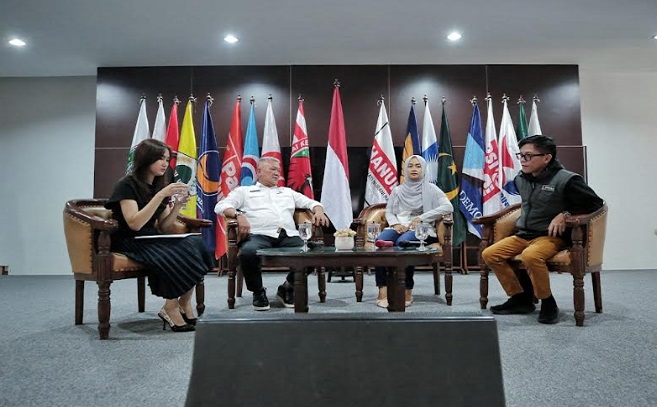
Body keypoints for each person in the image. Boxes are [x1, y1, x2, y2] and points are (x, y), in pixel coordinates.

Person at [481, 135, 603, 324]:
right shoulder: (521, 178)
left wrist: (565, 214)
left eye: (528, 156)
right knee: (490, 254)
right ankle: (520, 298)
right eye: (520, 155)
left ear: (547, 158)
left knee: (531, 256)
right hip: (523, 234)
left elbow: (595, 203)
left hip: (549, 237)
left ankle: (548, 302)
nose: (522, 160)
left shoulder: (567, 179)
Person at [105, 139, 214, 332]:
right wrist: (160, 196)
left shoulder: (157, 185)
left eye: (167, 159)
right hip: (129, 240)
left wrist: (178, 206)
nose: (165, 164)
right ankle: (171, 307)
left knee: (197, 244)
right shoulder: (127, 184)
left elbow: (164, 226)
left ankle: (183, 303)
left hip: (152, 237)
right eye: (160, 159)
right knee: (182, 251)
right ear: (146, 160)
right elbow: (135, 223)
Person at [215, 157, 329, 310]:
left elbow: (311, 202)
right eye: (272, 169)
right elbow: (221, 206)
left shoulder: (287, 192)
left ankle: (287, 287)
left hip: (288, 235)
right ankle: (258, 291)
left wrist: (319, 210)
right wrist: (238, 215)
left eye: (278, 170)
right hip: (258, 235)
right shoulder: (244, 191)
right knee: (248, 253)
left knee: (315, 251)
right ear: (259, 171)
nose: (277, 173)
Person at [374, 155, 454, 308]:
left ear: (423, 169)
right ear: (405, 169)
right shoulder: (398, 190)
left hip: (422, 230)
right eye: (410, 166)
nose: (414, 169)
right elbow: (389, 211)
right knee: (381, 244)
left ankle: (406, 289)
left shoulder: (432, 189)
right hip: (399, 226)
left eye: (418, 166)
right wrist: (396, 224)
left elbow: (448, 207)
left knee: (404, 244)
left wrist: (422, 218)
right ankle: (383, 288)